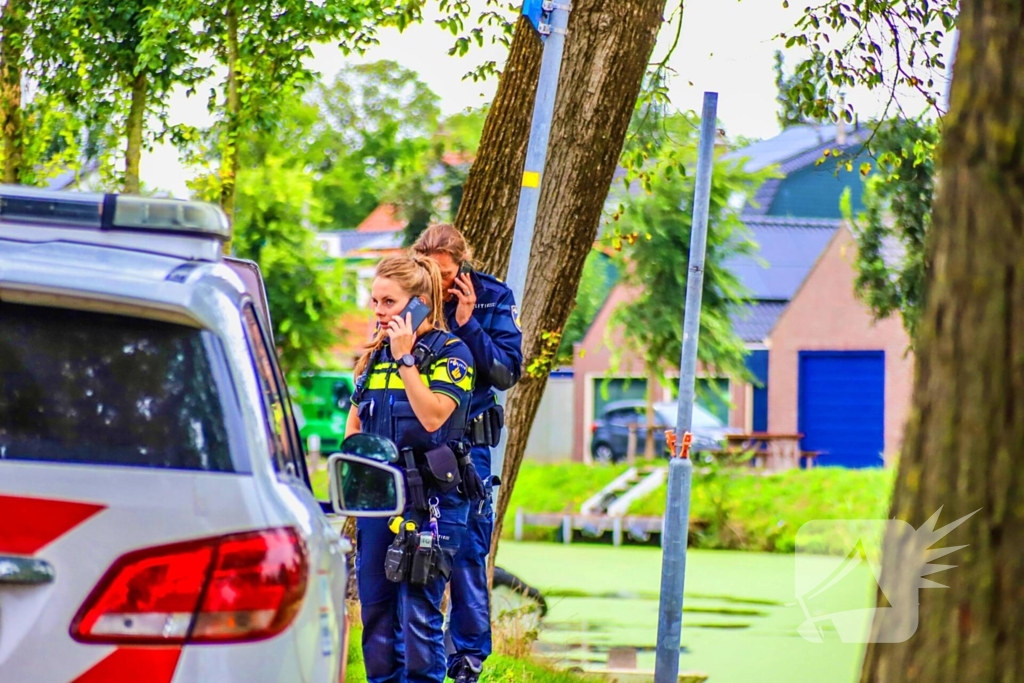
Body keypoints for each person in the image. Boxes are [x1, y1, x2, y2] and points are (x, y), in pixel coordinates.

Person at [346, 253, 477, 683]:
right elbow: (355, 420)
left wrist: (406, 362)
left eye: (389, 302)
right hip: (379, 501)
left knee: (418, 613)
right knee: (377, 610)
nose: (379, 312)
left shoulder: (451, 354)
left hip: (431, 502)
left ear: (418, 302)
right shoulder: (374, 356)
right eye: (375, 301)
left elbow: (434, 417)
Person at [413, 224, 524, 683]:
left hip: (468, 446)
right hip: (416, 438)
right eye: (429, 273)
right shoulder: (407, 292)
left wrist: (467, 322)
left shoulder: (494, 296)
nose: (437, 284)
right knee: (411, 543)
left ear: (462, 265)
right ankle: (416, 650)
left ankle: (467, 661)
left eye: (445, 273)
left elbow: (504, 372)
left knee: (467, 548)